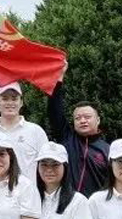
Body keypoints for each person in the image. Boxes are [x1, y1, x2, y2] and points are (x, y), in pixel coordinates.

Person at [46, 67, 109, 195]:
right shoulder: (67, 138)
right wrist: (58, 78)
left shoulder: (107, 150)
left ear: (98, 120)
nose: (83, 120)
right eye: (78, 118)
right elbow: (54, 110)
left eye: (87, 117)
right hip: (67, 206)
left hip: (95, 209)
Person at [0, 83, 47, 173]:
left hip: (29, 187)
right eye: (5, 99)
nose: (10, 103)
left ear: (21, 102)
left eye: (14, 99)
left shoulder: (36, 131)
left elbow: (46, 165)